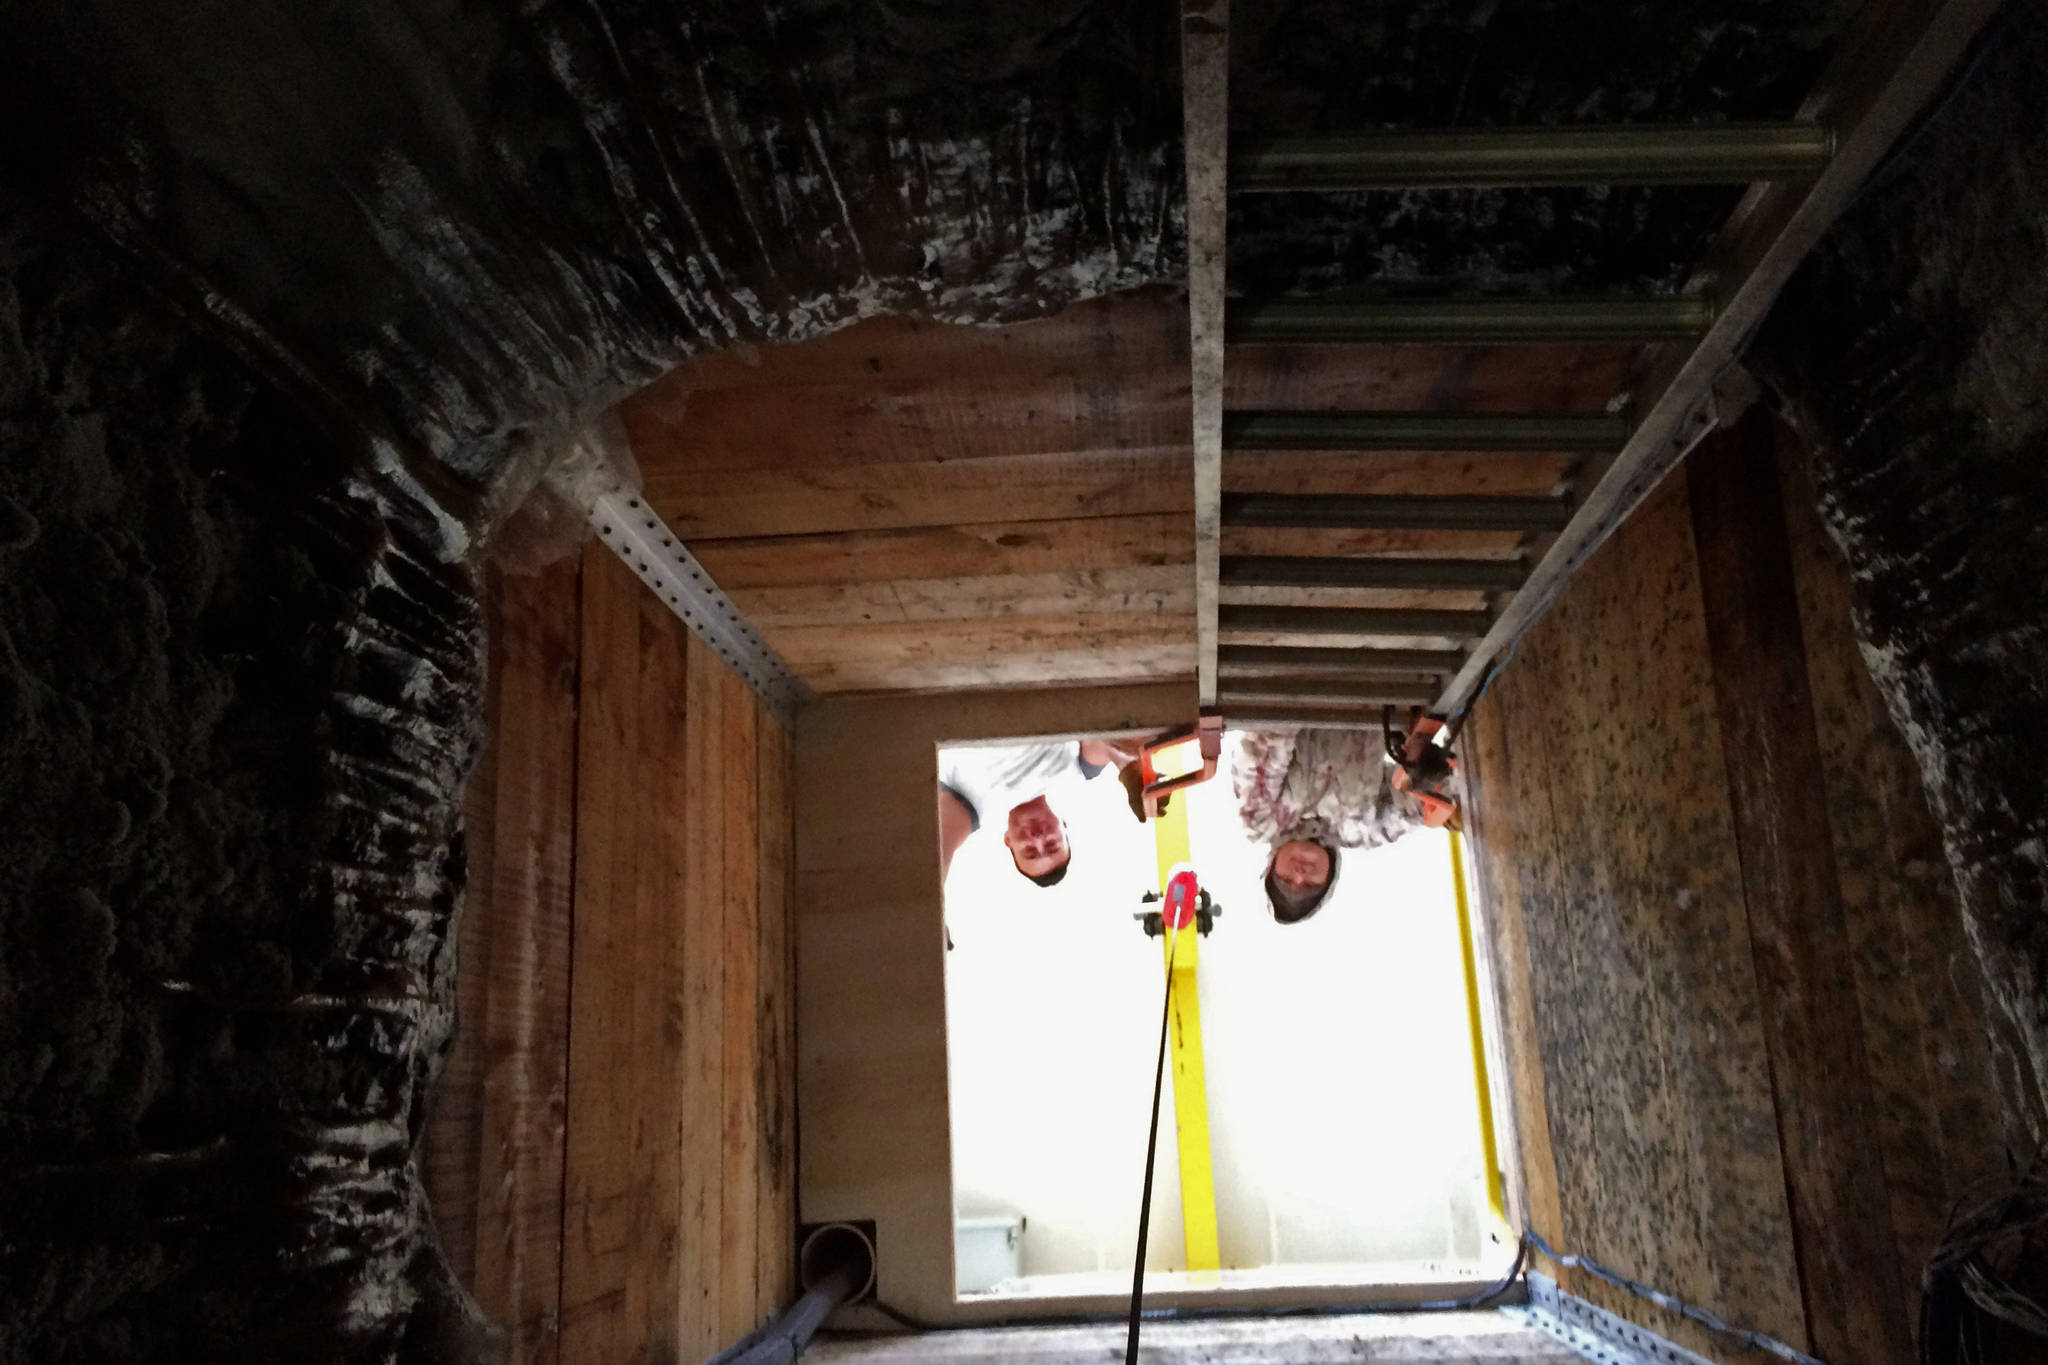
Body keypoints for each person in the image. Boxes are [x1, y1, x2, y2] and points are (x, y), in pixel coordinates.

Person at [1232, 727, 1425, 925]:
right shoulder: (1361, 831)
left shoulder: (1261, 822)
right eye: (1309, 885)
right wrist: (1433, 794)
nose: (1299, 875)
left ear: (1272, 866)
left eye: (1286, 880)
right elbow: (1412, 807)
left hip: (1297, 698)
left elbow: (1267, 740)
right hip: (1378, 701)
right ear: (1329, 880)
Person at [937, 739, 1132, 886]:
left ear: (1008, 841)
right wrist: (1128, 767)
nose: (1038, 839)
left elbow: (934, 857)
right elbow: (1108, 742)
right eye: (1051, 844)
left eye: (1029, 851)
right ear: (1063, 826)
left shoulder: (970, 809)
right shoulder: (1077, 770)